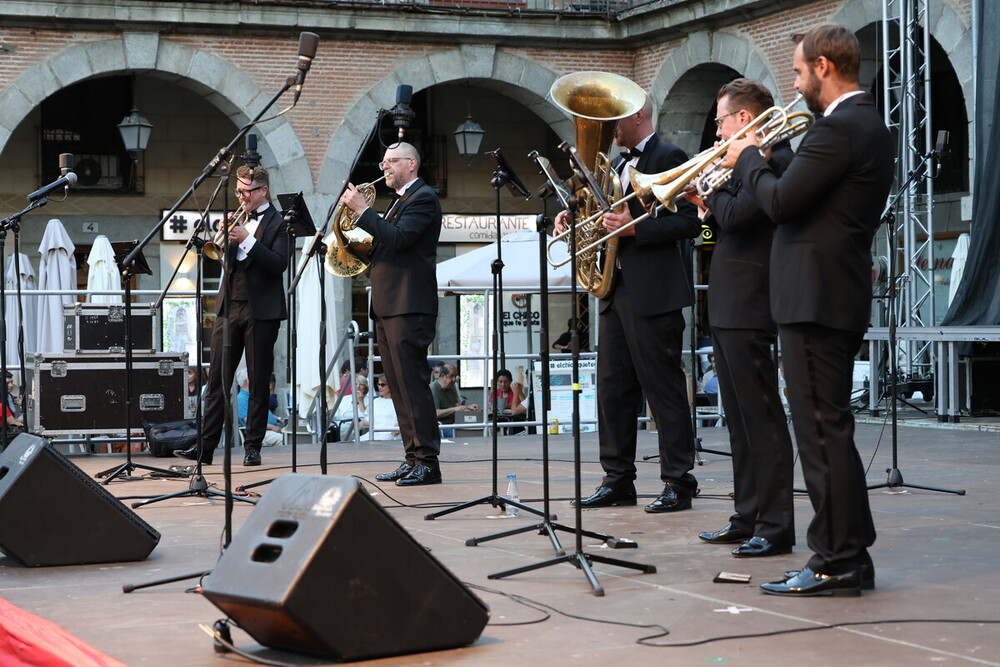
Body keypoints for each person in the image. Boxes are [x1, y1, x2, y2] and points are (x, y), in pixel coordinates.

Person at [721, 24, 894, 596]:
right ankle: (852, 552)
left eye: (797, 72)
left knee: (820, 434)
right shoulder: (861, 125)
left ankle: (834, 560)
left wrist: (748, 157)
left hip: (815, 300)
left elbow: (777, 201)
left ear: (823, 67)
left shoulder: (838, 130)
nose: (795, 86)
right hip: (828, 296)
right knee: (829, 432)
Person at [555, 93, 701, 512]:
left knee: (664, 390)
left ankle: (679, 481)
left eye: (616, 118)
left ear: (638, 115)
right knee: (612, 391)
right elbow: (599, 214)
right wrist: (574, 216)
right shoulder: (616, 164)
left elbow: (691, 223)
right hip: (613, 291)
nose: (610, 126)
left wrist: (636, 230)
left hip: (653, 292)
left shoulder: (670, 154)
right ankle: (618, 479)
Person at [683, 78, 796, 560]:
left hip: (752, 302)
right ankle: (747, 515)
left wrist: (707, 201)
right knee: (739, 424)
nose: (717, 131)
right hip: (730, 303)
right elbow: (719, 229)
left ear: (743, 120)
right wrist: (704, 201)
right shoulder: (745, 163)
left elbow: (737, 218)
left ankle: (775, 525)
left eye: (721, 121)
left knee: (762, 420)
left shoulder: (773, 159)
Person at [340, 141, 443, 486]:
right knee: (397, 387)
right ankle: (412, 457)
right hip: (388, 305)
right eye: (383, 161)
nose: (384, 167)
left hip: (408, 305)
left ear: (411, 164)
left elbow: (400, 240)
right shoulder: (400, 201)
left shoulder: (423, 198)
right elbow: (385, 247)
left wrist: (362, 211)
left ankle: (428, 461)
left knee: (412, 385)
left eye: (391, 161)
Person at [175, 164, 289, 467]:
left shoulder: (279, 222)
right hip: (229, 307)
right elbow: (225, 262)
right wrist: (224, 237)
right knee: (216, 380)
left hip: (262, 310)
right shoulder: (238, 219)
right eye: (237, 191)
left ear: (262, 191)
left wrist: (247, 240)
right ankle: (205, 447)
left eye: (245, 192)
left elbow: (279, 263)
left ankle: (253, 447)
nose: (240, 197)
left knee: (257, 377)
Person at [235, 368, 284, 448]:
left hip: (270, 430)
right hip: (260, 433)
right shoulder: (241, 398)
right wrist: (272, 427)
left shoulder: (253, 395)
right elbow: (249, 421)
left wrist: (279, 418)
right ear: (248, 381)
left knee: (291, 437)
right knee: (284, 440)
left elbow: (265, 412)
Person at [429, 363, 478, 438]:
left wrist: (468, 407)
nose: (454, 380)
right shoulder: (433, 389)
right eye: (452, 376)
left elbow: (457, 406)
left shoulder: (451, 388)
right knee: (465, 434)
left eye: (455, 376)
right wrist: (455, 409)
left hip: (455, 423)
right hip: (442, 426)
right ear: (443, 376)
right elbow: (436, 413)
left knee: (477, 429)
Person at [370, 375, 400, 441]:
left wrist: (399, 425)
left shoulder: (398, 402)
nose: (379, 387)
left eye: (382, 385)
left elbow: (403, 418)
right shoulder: (375, 401)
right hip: (374, 433)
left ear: (390, 386)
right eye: (378, 384)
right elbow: (368, 419)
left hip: (390, 434)